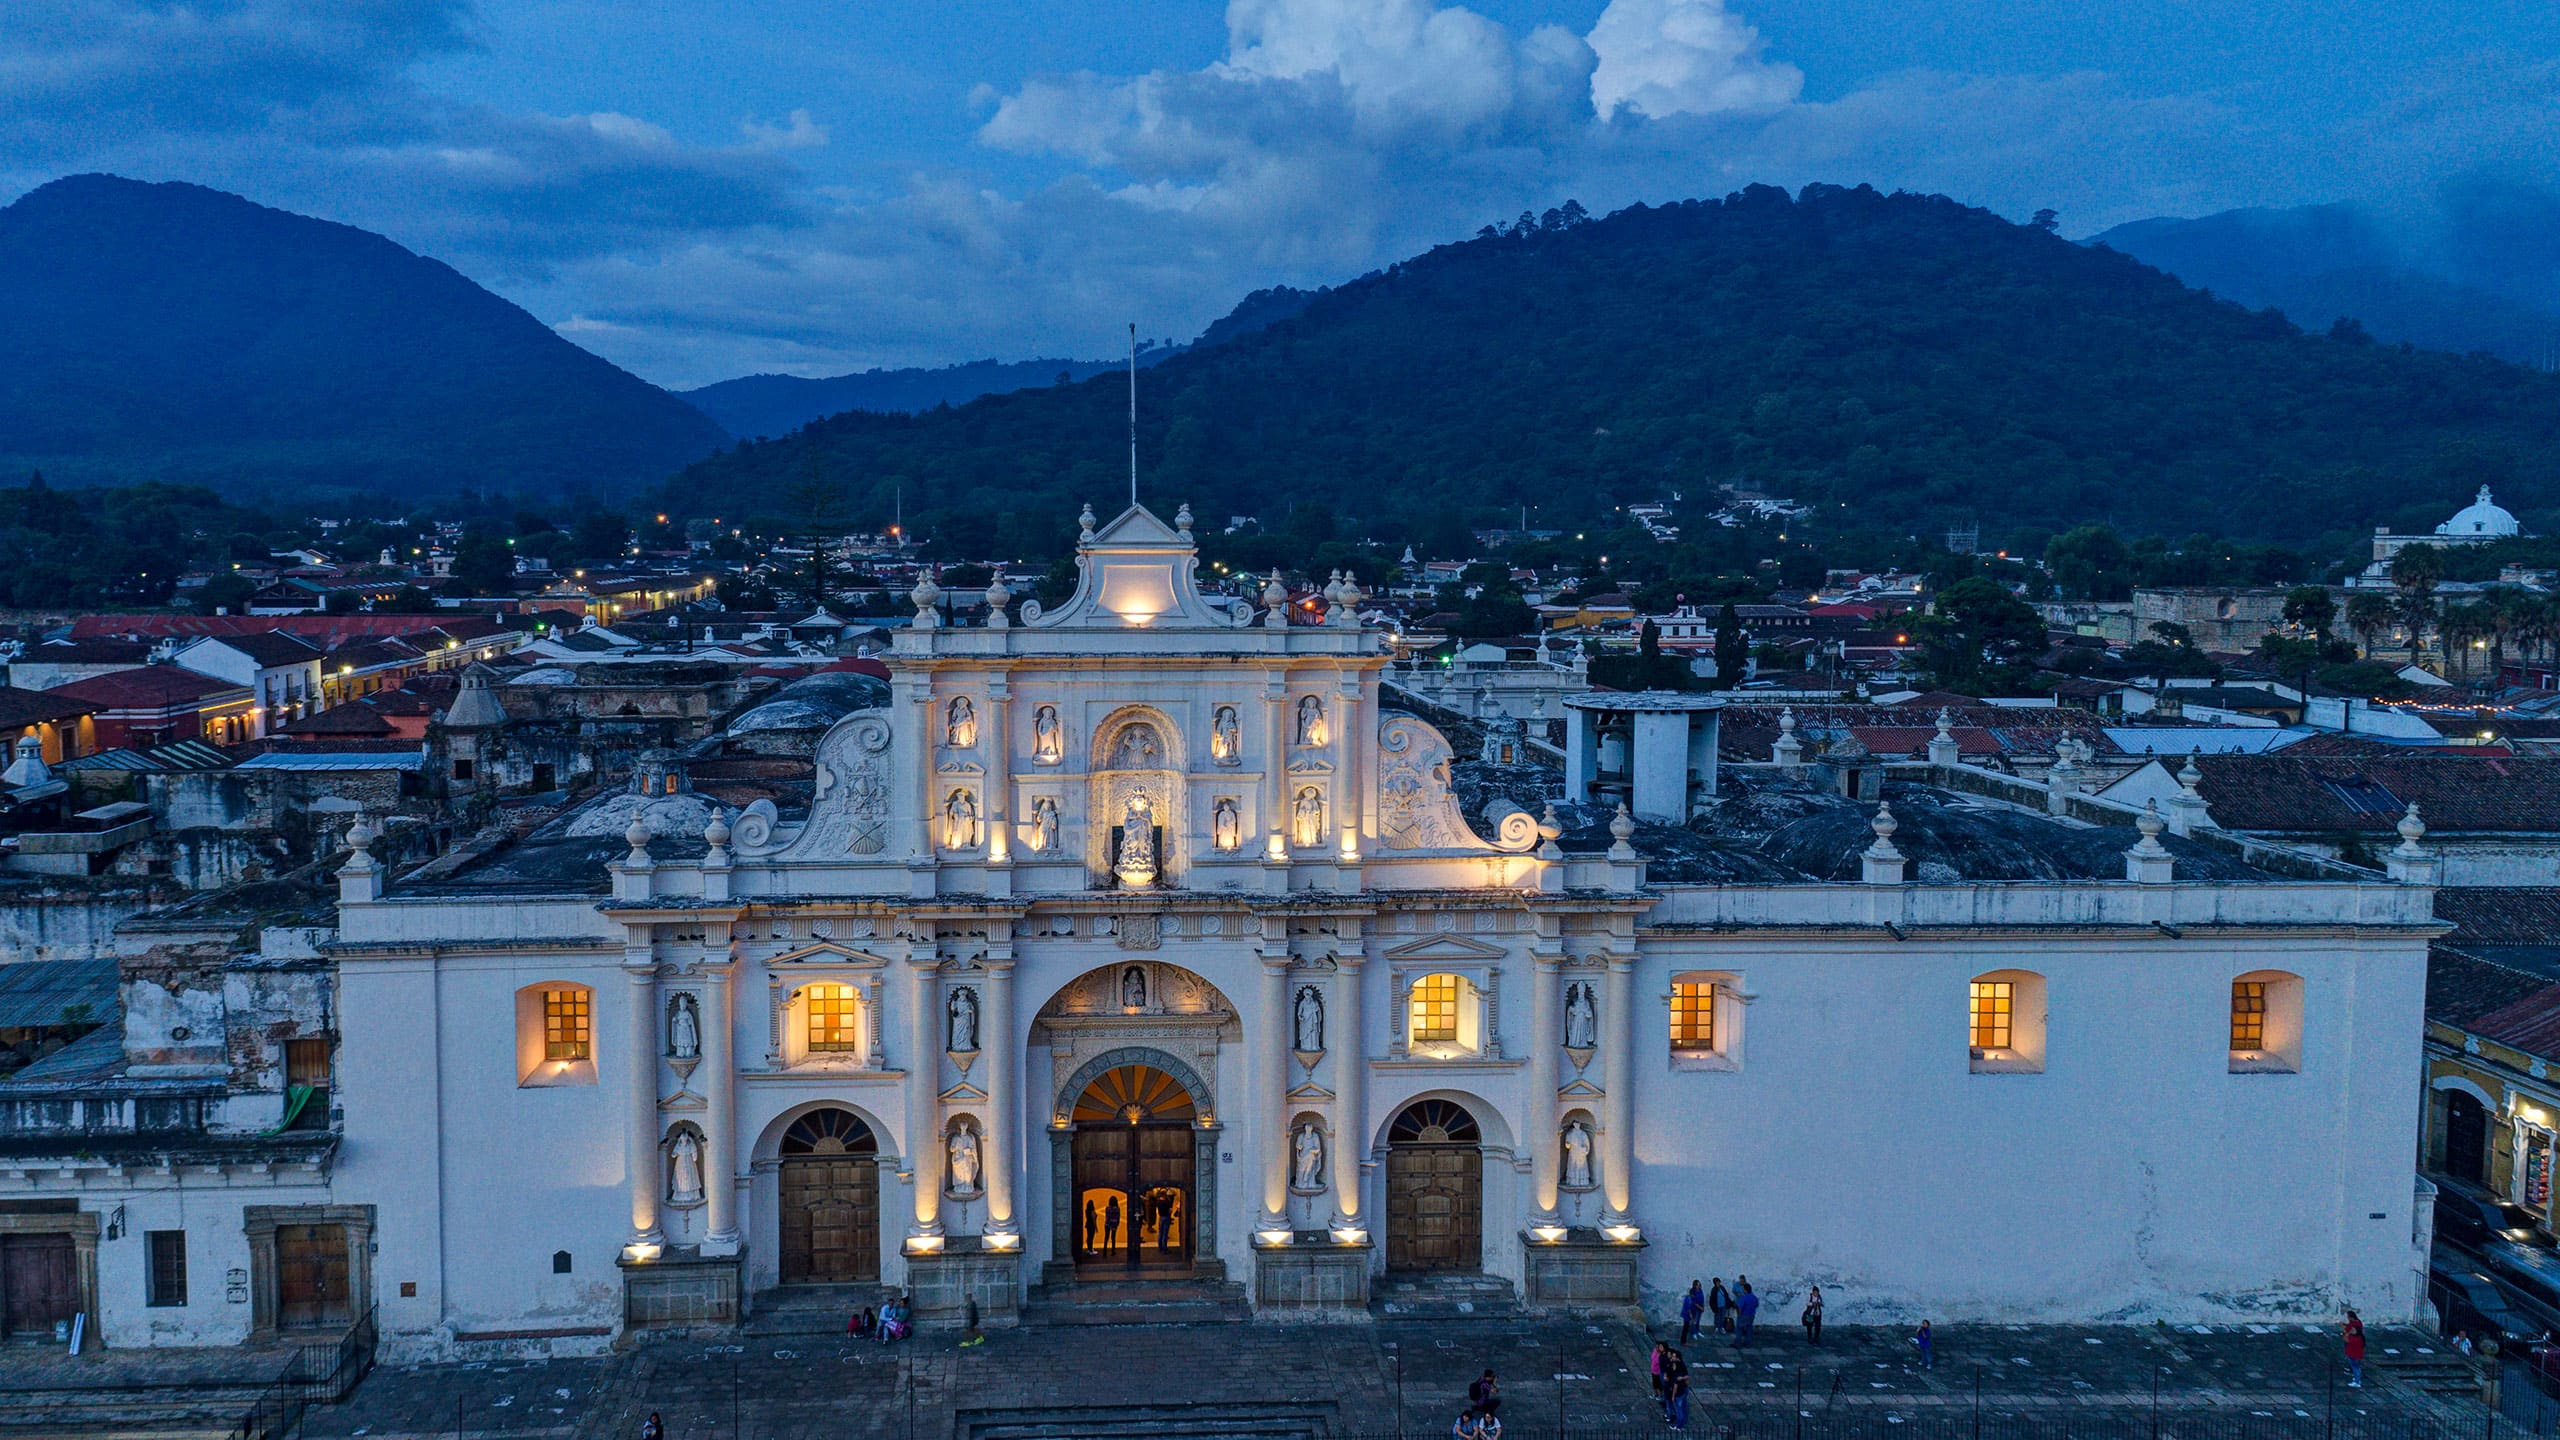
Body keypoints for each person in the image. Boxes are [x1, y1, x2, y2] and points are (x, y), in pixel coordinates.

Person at [1665, 1355, 1691, 1431]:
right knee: (1683, 1408)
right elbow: (1687, 1378)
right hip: (1683, 1392)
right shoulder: (1681, 1373)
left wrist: (1673, 1397)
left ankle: (1678, 1425)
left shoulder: (1676, 1375)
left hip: (1678, 1394)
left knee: (1678, 1410)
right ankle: (1682, 1424)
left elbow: (1675, 1387)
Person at [2343, 1309, 2365, 1388]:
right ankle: (2357, 1379)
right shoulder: (2359, 1337)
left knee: (2355, 1367)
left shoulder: (2355, 1339)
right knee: (2356, 1367)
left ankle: (2357, 1381)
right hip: (2356, 1354)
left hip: (2354, 1354)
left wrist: (2347, 1332)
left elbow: (2345, 1338)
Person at [1733, 1279, 1758, 1347]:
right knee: (1749, 1329)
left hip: (1743, 1315)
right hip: (1751, 1315)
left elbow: (1739, 1307)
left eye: (1743, 1289)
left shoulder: (1744, 1298)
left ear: (1745, 1290)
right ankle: (1748, 1343)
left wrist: (1739, 1315)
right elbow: (1756, 1305)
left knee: (1739, 1329)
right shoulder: (1754, 1297)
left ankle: (1738, 1343)